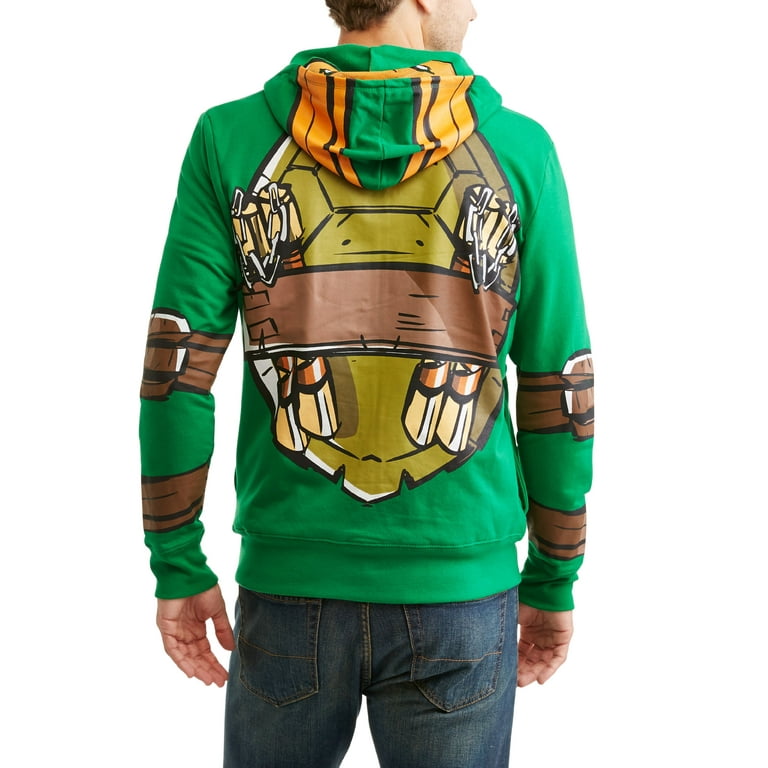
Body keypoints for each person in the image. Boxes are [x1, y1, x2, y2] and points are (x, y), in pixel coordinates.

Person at [139, 1, 594, 765]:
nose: (475, 7)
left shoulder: (232, 138)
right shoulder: (520, 151)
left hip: (290, 578)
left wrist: (176, 561)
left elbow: (177, 366)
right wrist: (555, 575)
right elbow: (560, 382)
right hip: (459, 584)